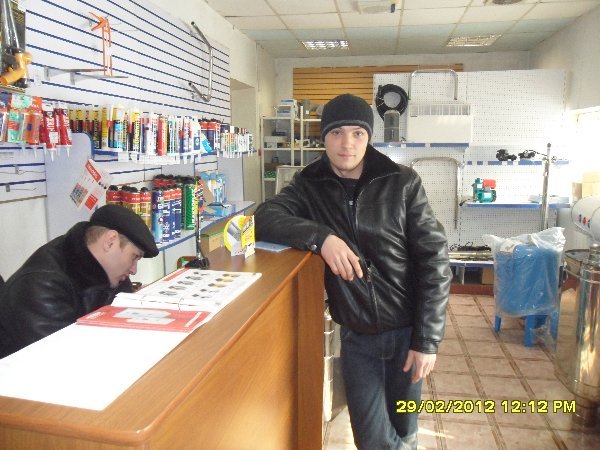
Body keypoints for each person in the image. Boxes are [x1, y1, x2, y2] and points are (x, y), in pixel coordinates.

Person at [254, 94, 451, 449]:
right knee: (372, 439)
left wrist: (427, 341)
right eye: (337, 133)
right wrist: (322, 238)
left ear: (369, 137)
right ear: (323, 138)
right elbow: (264, 218)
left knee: (404, 429)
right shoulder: (309, 185)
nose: (347, 143)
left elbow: (434, 261)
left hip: (407, 333)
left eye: (358, 133)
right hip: (358, 339)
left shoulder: (402, 182)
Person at [0, 204, 159, 358]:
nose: (134, 270)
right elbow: (65, 359)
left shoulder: (110, 271)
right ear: (110, 241)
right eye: (134, 257)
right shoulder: (41, 285)